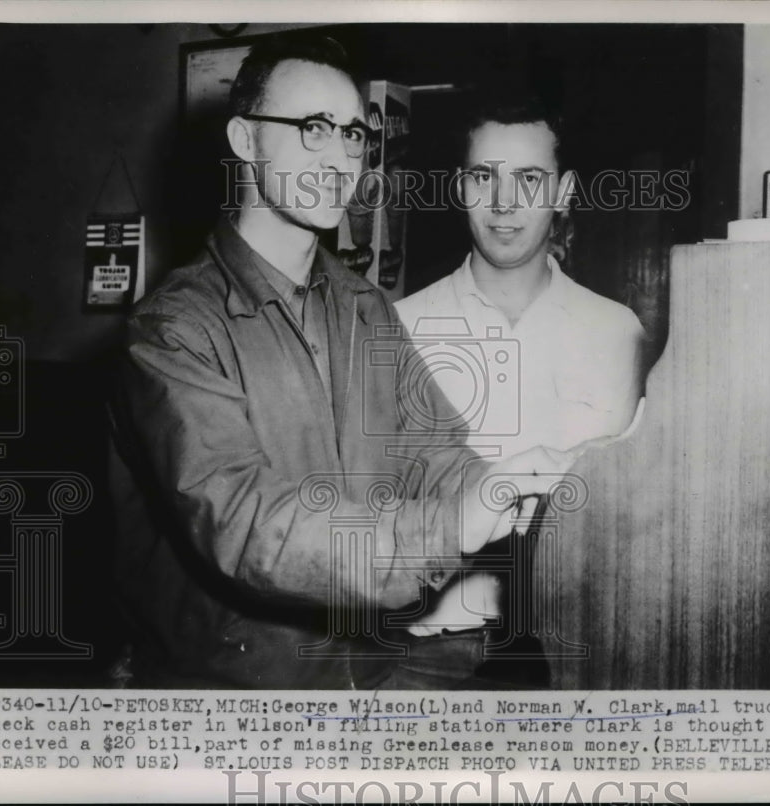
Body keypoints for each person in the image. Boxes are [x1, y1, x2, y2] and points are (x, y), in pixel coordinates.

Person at [107, 34, 578, 689]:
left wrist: (493, 489)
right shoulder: (171, 331)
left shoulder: (364, 306)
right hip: (234, 700)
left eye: (354, 135)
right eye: (312, 130)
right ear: (245, 141)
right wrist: (448, 524)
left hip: (366, 671)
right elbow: (248, 526)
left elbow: (430, 447)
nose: (340, 161)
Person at [390, 87, 646, 688]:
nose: (504, 203)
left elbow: (636, 509)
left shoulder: (620, 332)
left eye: (530, 179)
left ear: (565, 191)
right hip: (435, 655)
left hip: (582, 647)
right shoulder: (400, 329)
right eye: (484, 176)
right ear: (459, 187)